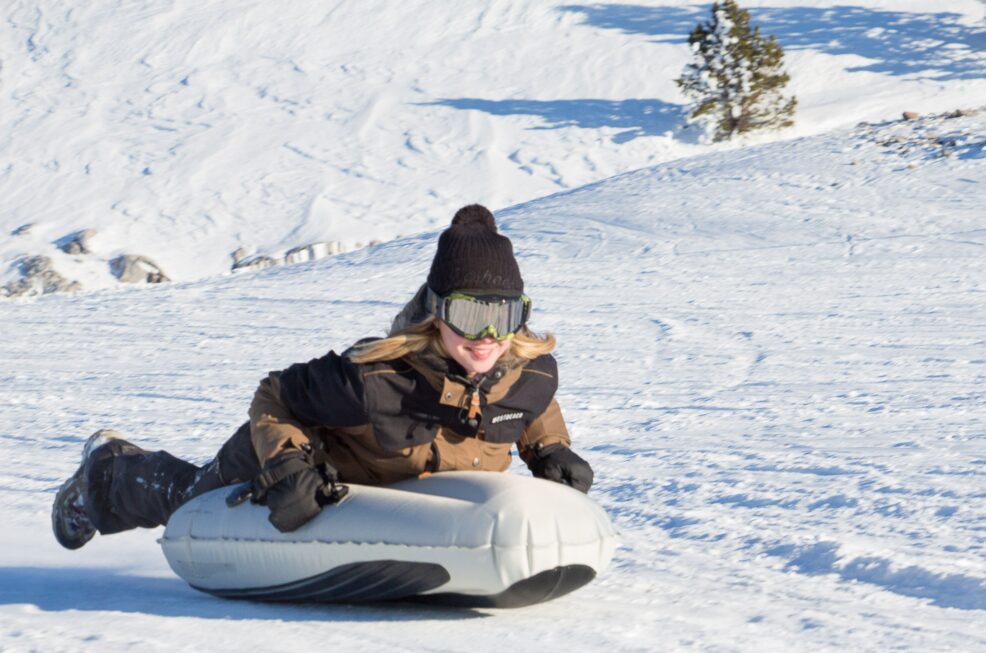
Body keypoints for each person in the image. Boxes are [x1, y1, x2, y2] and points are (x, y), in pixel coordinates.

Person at [52, 204, 594, 550]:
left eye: (504, 315)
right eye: (470, 314)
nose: (487, 336)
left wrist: (549, 449)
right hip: (287, 464)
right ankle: (106, 473)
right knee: (187, 500)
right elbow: (275, 395)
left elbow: (529, 400)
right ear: (437, 312)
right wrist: (288, 465)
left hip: (397, 507)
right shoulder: (373, 379)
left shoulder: (530, 372)